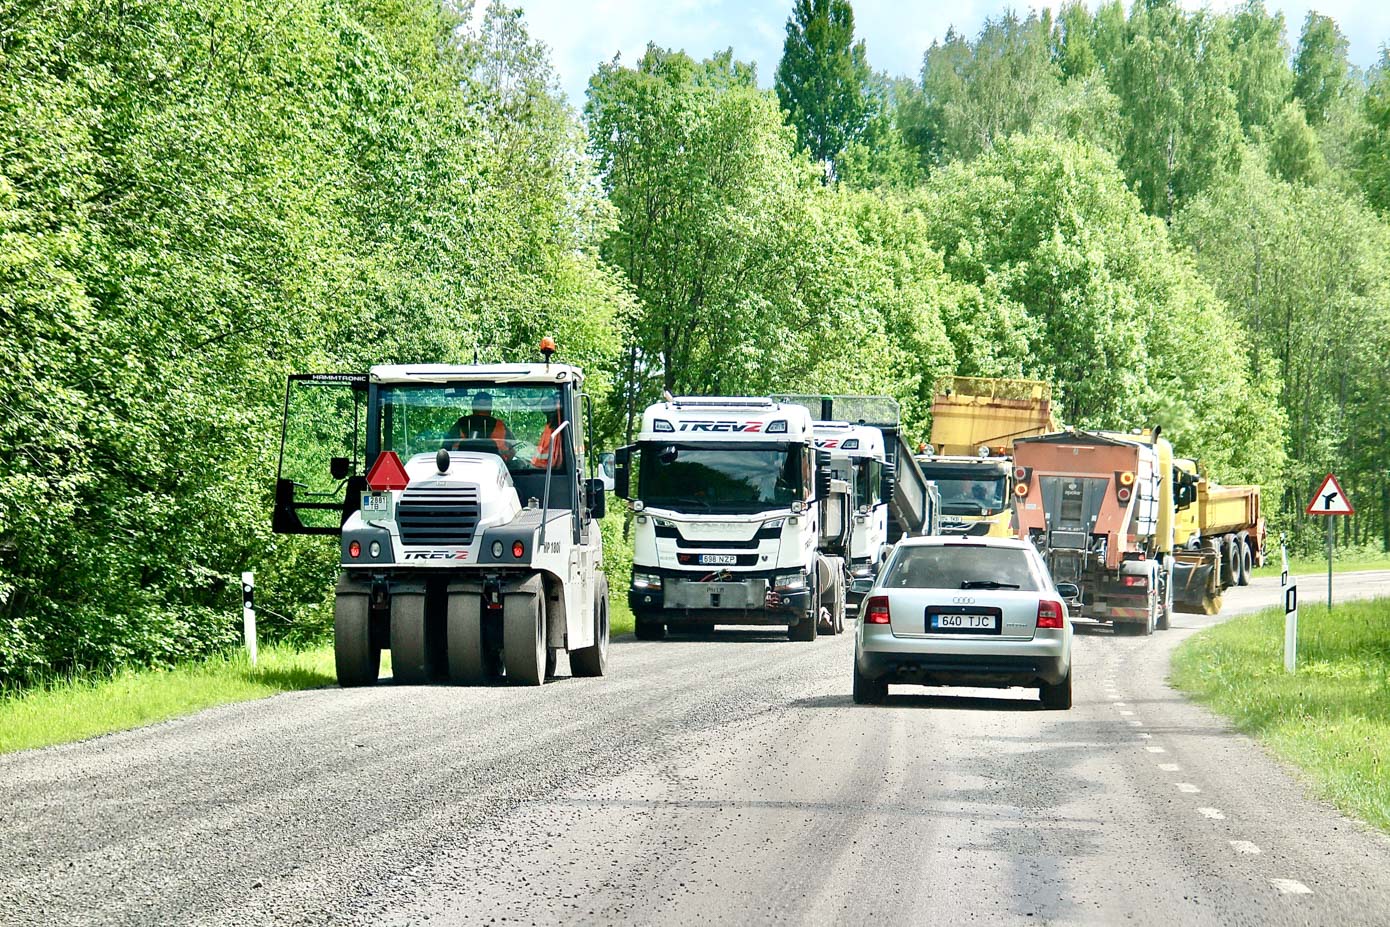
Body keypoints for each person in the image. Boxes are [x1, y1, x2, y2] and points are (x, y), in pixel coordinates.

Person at [453, 392, 515, 459]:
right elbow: (512, 451)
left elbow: (446, 448)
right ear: (491, 406)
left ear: (473, 405)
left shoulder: (460, 423)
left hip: (460, 464)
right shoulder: (500, 425)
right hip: (496, 466)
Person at [532, 394, 565, 470]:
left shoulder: (554, 431)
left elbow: (550, 459)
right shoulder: (552, 429)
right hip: (544, 469)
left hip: (546, 470)